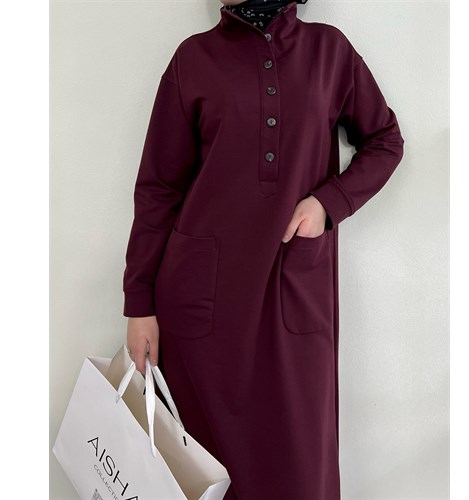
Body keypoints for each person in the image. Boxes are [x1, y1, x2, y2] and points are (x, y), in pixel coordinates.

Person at [123, 1, 405, 498]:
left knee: (298, 467)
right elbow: (159, 190)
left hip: (292, 294)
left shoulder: (329, 52)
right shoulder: (194, 59)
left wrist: (328, 203)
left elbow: (386, 140)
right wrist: (139, 302)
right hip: (202, 309)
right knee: (204, 474)